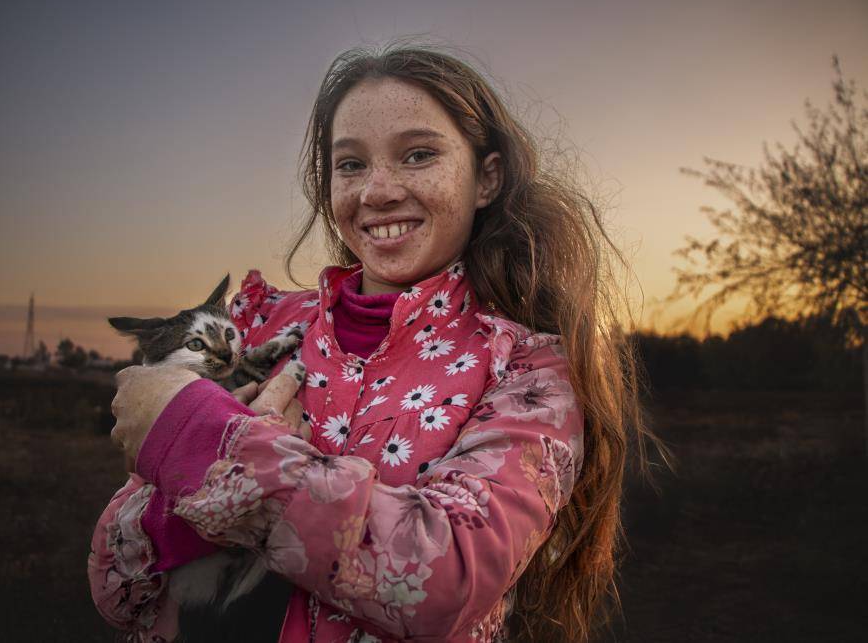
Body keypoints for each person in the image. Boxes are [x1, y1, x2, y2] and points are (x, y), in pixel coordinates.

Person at [88, 42, 667, 642]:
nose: (377, 191)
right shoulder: (260, 330)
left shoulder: (525, 370)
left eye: (418, 155)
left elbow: (445, 579)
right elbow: (117, 581)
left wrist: (211, 448)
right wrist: (197, 503)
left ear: (486, 178)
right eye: (351, 165)